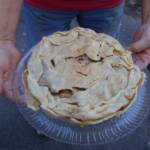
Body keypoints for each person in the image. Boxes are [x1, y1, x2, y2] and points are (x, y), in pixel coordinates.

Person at [0, 0, 150, 101]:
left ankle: (94, 103)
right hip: (43, 6)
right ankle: (48, 111)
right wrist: (4, 39)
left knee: (104, 64)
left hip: (107, 5)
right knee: (43, 68)